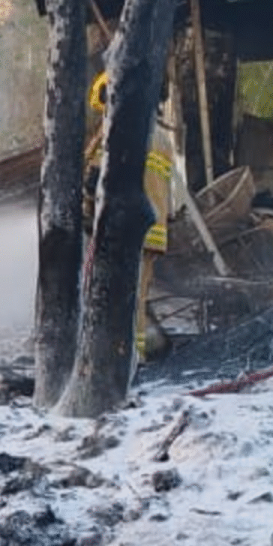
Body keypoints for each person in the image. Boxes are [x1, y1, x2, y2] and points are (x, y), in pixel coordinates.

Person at [84, 70, 175, 367]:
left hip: (126, 230)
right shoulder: (160, 136)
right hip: (153, 229)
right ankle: (138, 351)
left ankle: (129, 360)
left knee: (123, 296)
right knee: (137, 293)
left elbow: (97, 178)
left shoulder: (122, 133)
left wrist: (87, 195)